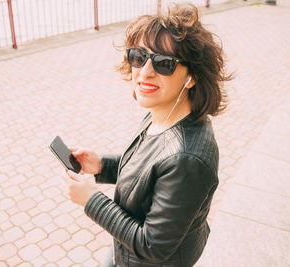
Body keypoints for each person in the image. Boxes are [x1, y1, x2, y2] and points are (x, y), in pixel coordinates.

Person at [62, 4, 232, 266]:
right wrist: (101, 165)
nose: (145, 71)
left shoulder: (187, 158)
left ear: (192, 77)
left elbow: (152, 245)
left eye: (165, 63)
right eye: (139, 57)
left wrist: (91, 200)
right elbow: (151, 174)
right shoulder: (164, 113)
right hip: (125, 251)